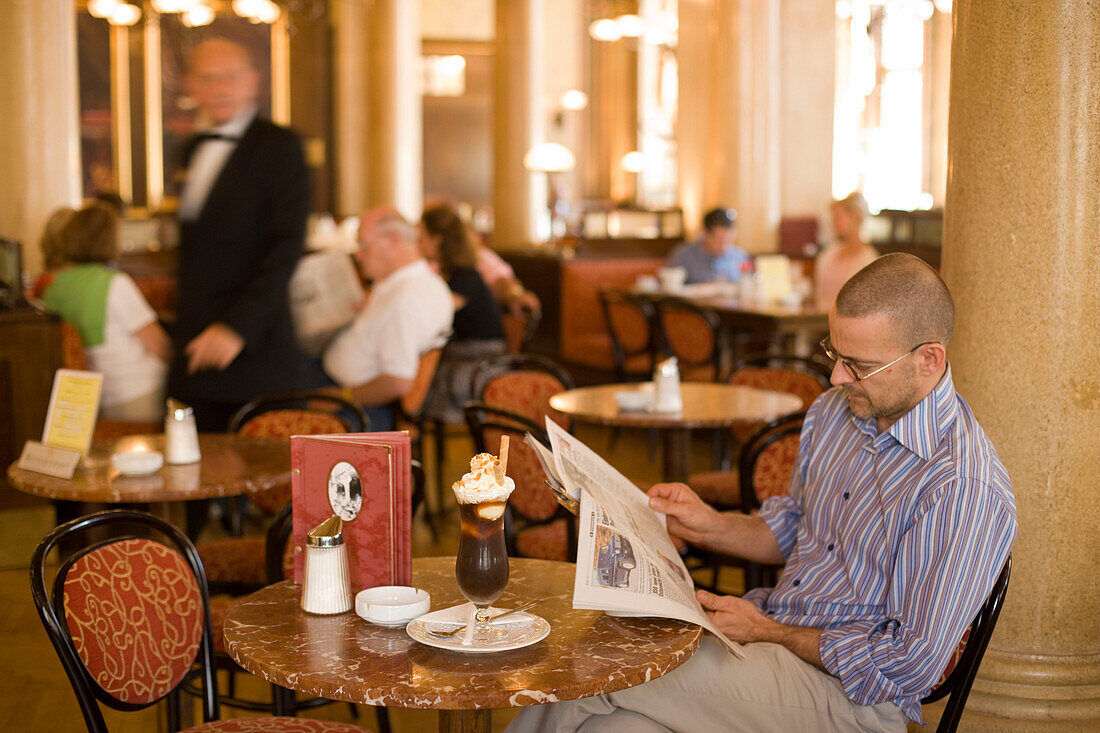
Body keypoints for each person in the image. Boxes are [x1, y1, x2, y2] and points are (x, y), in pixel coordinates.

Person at [507, 253, 1017, 733]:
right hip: (771, 639)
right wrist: (710, 523)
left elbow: (911, 663)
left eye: (858, 365)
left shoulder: (962, 485)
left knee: (598, 670)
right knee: (612, 726)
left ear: (928, 360)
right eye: (834, 353)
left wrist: (772, 632)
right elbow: (794, 528)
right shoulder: (837, 413)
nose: (837, 377)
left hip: (853, 699)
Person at [168, 37, 311, 432]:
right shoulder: (190, 149)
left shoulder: (280, 146)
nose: (220, 88)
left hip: (256, 352)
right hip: (194, 353)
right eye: (208, 78)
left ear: (252, 81)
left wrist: (235, 329)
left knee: (261, 485)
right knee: (192, 477)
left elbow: (287, 248)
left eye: (230, 77)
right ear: (191, 86)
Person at [321, 209, 454, 432]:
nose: (358, 255)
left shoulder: (406, 299)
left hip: (359, 409)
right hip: (351, 391)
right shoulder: (413, 282)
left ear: (393, 241)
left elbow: (397, 382)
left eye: (364, 245)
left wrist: (340, 396)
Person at [41, 203, 170, 422]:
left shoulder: (55, 287)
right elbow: (158, 346)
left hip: (101, 398)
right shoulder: (114, 284)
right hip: (139, 395)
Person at [418, 203, 508, 424]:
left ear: (436, 240)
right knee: (415, 372)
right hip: (465, 354)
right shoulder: (453, 275)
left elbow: (435, 316)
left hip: (481, 361)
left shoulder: (465, 277)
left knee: (416, 378)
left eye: (420, 237)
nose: (416, 243)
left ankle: (407, 434)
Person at [814, 192, 879, 310]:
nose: (832, 222)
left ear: (855, 218)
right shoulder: (828, 253)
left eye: (837, 217)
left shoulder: (869, 260)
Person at [665, 207, 750, 285]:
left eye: (729, 241)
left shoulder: (739, 256)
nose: (724, 247)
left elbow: (748, 283)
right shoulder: (684, 255)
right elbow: (670, 288)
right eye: (719, 240)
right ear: (705, 234)